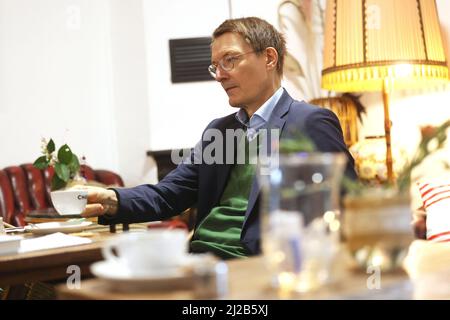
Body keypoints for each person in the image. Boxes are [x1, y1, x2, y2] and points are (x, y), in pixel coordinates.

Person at [82, 17, 356, 259]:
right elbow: (169, 194)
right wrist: (111, 199)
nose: (220, 75)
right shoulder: (219, 131)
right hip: (197, 259)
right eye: (215, 66)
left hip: (252, 264)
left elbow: (346, 205)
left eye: (230, 60)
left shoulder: (309, 121)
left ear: (269, 58)